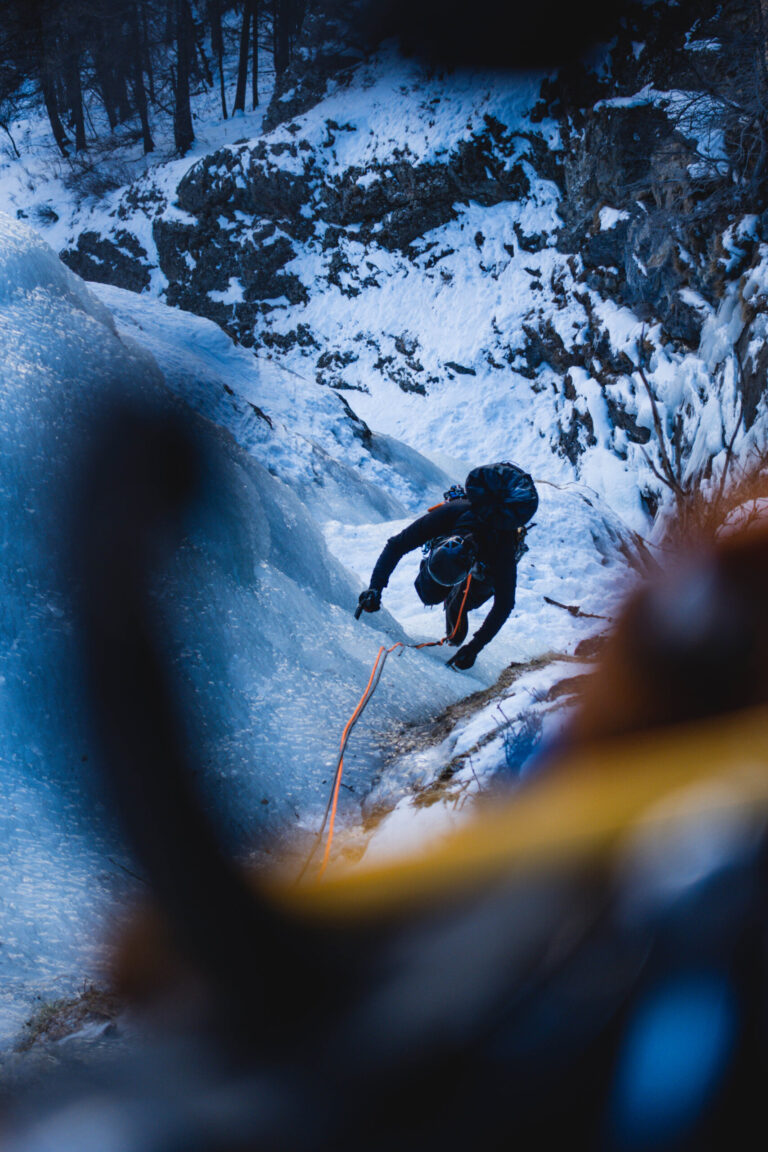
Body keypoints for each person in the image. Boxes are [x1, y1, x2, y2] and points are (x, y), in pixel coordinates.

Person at [356, 462, 537, 670]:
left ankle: (454, 633)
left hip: (486, 566)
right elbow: (396, 545)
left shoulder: (501, 549)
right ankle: (449, 597)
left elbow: (504, 604)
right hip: (460, 532)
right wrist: (375, 588)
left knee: (462, 604)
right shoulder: (450, 514)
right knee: (430, 594)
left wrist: (474, 647)